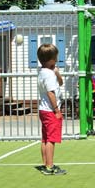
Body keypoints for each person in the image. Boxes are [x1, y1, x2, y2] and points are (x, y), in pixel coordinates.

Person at [37, 43, 67, 175]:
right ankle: (50, 166)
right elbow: (51, 93)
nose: (57, 60)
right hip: (50, 111)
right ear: (51, 60)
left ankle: (45, 164)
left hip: (43, 110)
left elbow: (60, 83)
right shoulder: (48, 75)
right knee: (51, 139)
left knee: (45, 138)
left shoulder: (44, 72)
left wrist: (57, 73)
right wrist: (57, 110)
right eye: (55, 58)